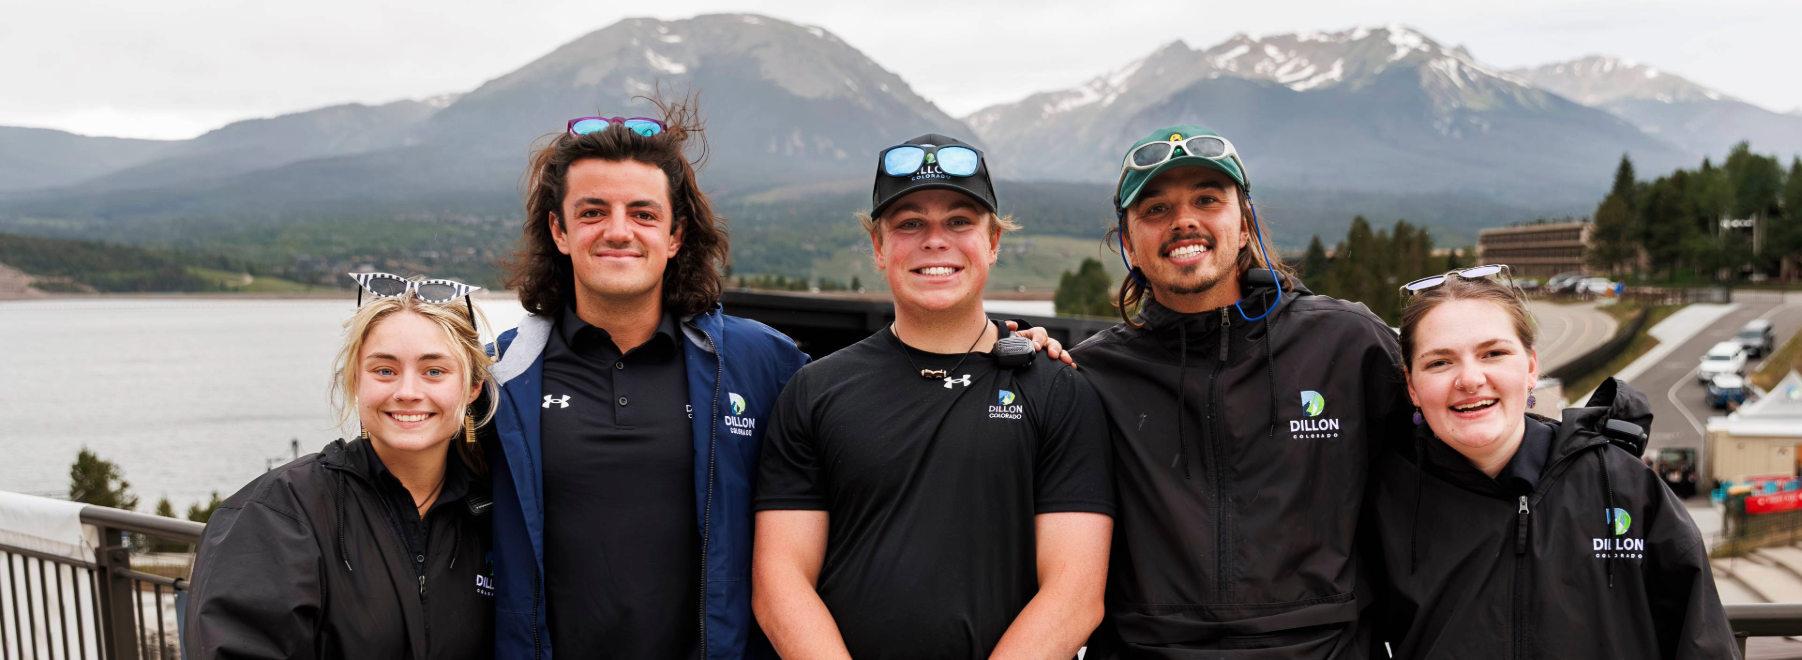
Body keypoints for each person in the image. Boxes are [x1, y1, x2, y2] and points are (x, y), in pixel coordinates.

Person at [752, 134, 1114, 660]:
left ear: (993, 242)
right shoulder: (815, 390)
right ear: (879, 249)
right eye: (910, 224)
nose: (935, 241)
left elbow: (1075, 595)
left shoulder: (1057, 389)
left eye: (960, 222)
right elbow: (780, 581)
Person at [1067, 126, 1413, 658]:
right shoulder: (1088, 375)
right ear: (1128, 244)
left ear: (1246, 224)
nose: (1184, 220)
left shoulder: (1348, 344)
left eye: (1207, 199)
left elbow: (1461, 457)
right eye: (1155, 209)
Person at [486, 101, 811, 659]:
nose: (618, 231)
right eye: (592, 213)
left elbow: (873, 421)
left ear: (676, 235)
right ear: (559, 232)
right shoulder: (497, 373)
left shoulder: (762, 362)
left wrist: (993, 349)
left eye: (642, 213)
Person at [1363, 266, 1737, 659]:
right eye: (1440, 362)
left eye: (1493, 353)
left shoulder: (1624, 486)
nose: (1470, 379)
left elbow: (1703, 644)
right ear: (1412, 387)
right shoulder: (1386, 502)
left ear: (1530, 368)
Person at [185, 276, 497, 660]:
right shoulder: (280, 514)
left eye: (434, 371)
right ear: (355, 381)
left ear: (473, 386)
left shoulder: (497, 513)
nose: (408, 391)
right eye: (384, 370)